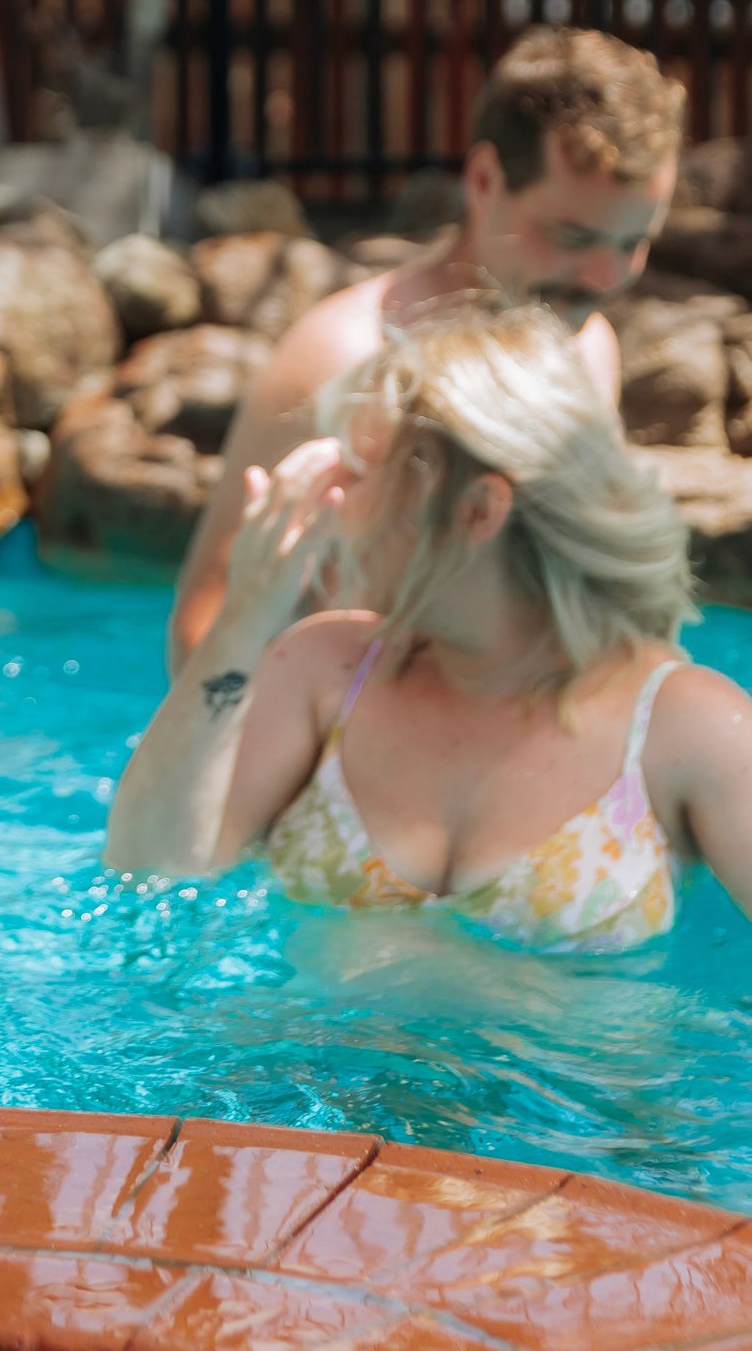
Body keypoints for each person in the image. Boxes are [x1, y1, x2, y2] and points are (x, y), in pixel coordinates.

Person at [106, 300, 752, 949]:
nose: (334, 501)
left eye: (359, 473)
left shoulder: (684, 727)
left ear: (475, 510)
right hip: (295, 1053)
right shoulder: (325, 670)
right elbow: (147, 878)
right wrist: (243, 621)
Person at [169, 29, 685, 667]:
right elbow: (203, 627)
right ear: (485, 177)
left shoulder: (586, 347)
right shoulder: (342, 358)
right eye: (574, 235)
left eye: (634, 241)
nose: (607, 278)